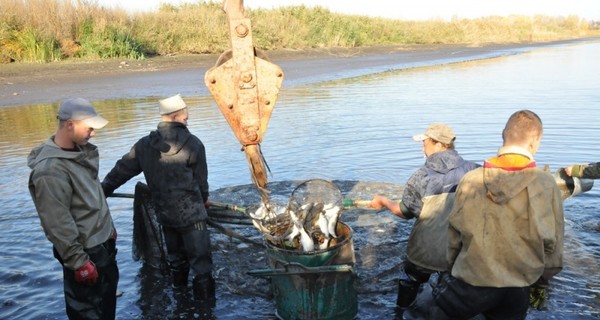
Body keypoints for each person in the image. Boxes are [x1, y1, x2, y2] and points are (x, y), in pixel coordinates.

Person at [432, 110, 564, 319]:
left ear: (503, 134)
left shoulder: (471, 180)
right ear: (536, 141)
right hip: (519, 285)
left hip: (471, 281)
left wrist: (450, 268)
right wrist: (542, 281)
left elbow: (453, 237)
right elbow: (553, 246)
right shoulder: (546, 184)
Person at [101, 94, 215, 301]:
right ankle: (205, 308)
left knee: (176, 260)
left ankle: (181, 302)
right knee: (202, 266)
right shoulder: (194, 144)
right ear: (175, 117)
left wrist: (103, 190)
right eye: (185, 119)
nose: (187, 122)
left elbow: (121, 170)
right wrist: (204, 199)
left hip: (165, 215)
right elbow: (201, 183)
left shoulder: (145, 145)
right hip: (193, 217)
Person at [368, 123, 479, 309]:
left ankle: (402, 310)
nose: (422, 147)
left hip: (426, 253)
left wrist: (384, 202)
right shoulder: (475, 171)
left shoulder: (421, 176)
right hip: (461, 252)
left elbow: (405, 212)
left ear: (439, 144)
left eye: (425, 142)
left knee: (411, 277)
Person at [27, 98, 119, 319]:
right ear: (70, 125)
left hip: (102, 246)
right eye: (89, 127)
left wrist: (109, 227)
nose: (93, 133)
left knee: (106, 309)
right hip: (86, 253)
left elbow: (93, 196)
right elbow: (57, 223)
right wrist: (79, 263)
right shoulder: (50, 170)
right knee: (87, 312)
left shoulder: (80, 153)